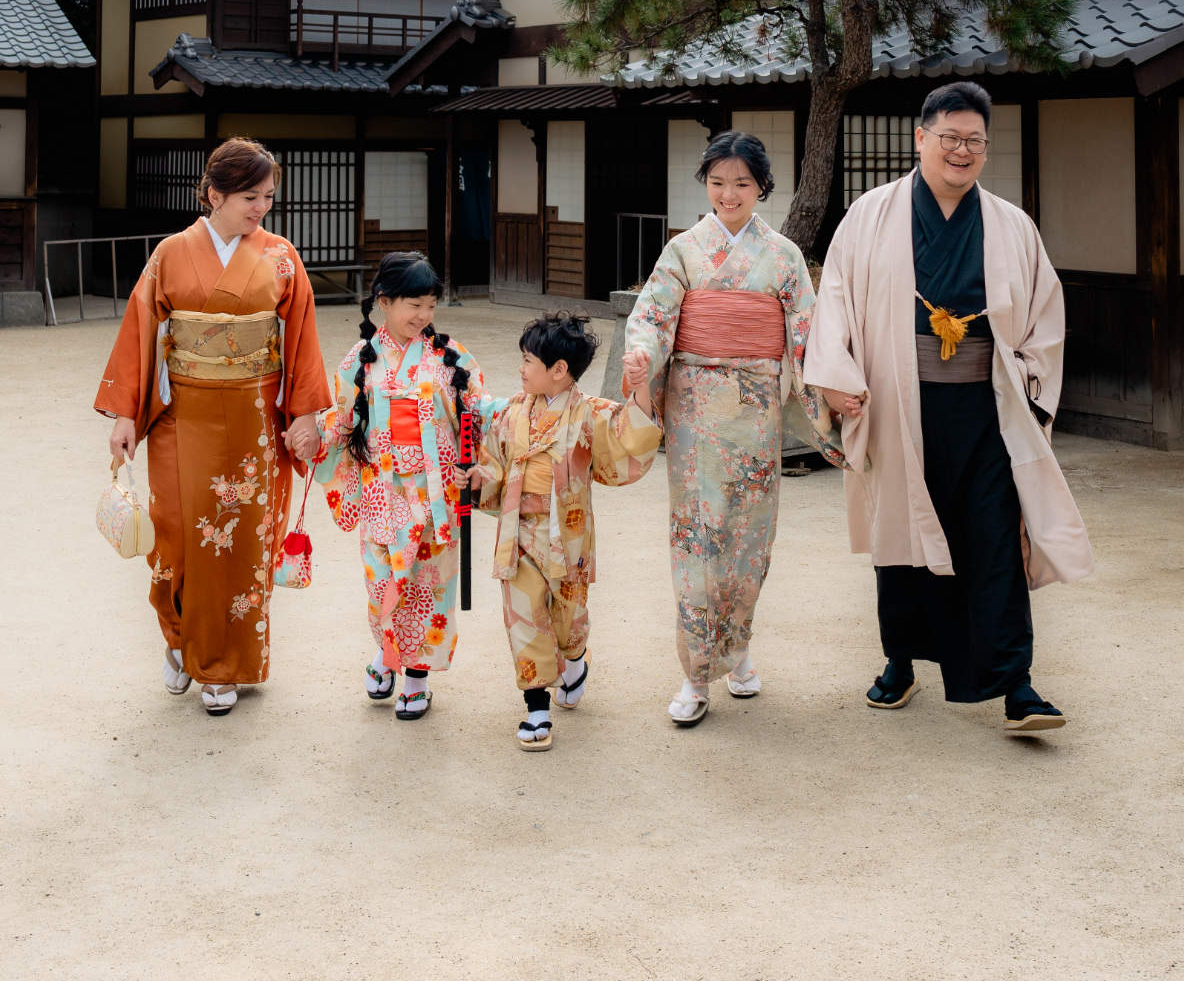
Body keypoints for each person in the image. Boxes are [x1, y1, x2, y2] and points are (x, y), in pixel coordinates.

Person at [803, 81, 1093, 735]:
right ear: (921, 139)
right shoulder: (871, 215)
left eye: (974, 141)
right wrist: (836, 378)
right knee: (901, 538)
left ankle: (1016, 685)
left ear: (986, 149)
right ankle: (899, 664)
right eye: (949, 138)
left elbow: (1045, 319)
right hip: (897, 401)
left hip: (987, 408)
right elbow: (838, 303)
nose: (961, 152)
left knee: (993, 541)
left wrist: (1031, 390)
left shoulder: (1012, 226)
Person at [622, 130, 847, 727]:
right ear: (706, 185)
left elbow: (806, 332)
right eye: (718, 182)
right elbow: (652, 314)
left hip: (754, 415)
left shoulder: (783, 257)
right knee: (698, 537)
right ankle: (696, 674)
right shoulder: (683, 252)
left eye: (741, 183)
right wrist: (643, 356)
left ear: (762, 187)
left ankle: (739, 651)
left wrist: (832, 386)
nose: (729, 194)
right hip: (695, 413)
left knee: (749, 538)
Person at [97, 138, 330, 715]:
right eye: (250, 197)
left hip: (253, 420)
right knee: (177, 535)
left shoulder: (280, 256)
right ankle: (179, 640)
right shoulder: (173, 253)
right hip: (184, 418)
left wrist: (303, 415)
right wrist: (127, 413)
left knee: (241, 541)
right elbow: (140, 331)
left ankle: (223, 666)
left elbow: (300, 336)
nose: (261, 209)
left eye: (268, 197)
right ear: (214, 195)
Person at [466, 310, 661, 752]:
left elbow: (631, 436)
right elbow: (493, 460)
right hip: (519, 535)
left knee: (568, 621)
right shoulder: (512, 413)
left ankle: (574, 662)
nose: (521, 369)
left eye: (528, 362)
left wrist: (641, 385)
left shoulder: (589, 414)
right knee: (524, 620)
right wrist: (481, 477)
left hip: (566, 536)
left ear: (558, 371)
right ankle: (536, 708)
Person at [310, 251, 490, 721]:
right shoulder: (360, 360)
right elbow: (341, 421)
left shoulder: (450, 356)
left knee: (428, 587)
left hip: (436, 495)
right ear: (384, 302)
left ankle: (415, 678)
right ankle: (386, 653)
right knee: (384, 582)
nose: (424, 316)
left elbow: (479, 412)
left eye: (431, 305)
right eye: (414, 305)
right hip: (382, 492)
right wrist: (309, 434)